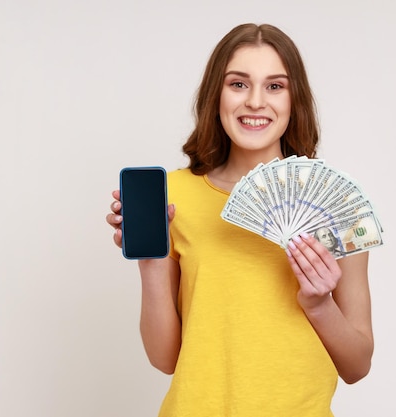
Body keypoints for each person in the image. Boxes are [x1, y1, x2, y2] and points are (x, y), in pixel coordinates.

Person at [106, 23, 374, 417]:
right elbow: (165, 359)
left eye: (275, 86)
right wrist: (150, 259)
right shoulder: (173, 198)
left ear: (294, 98)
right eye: (238, 84)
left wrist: (319, 305)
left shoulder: (336, 204)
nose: (255, 102)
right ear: (216, 94)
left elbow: (358, 365)